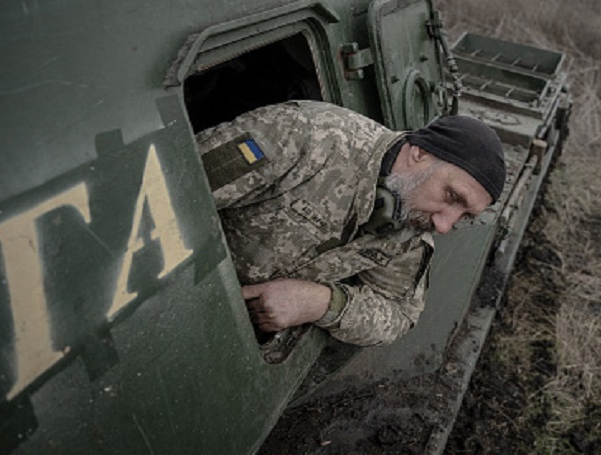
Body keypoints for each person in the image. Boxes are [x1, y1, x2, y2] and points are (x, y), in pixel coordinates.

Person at [196, 100, 505, 346]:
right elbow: (169, 192)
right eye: (451, 196)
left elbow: (397, 315)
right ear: (419, 153)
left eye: (465, 215)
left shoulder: (412, 228)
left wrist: (322, 303)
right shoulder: (307, 135)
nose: (443, 225)